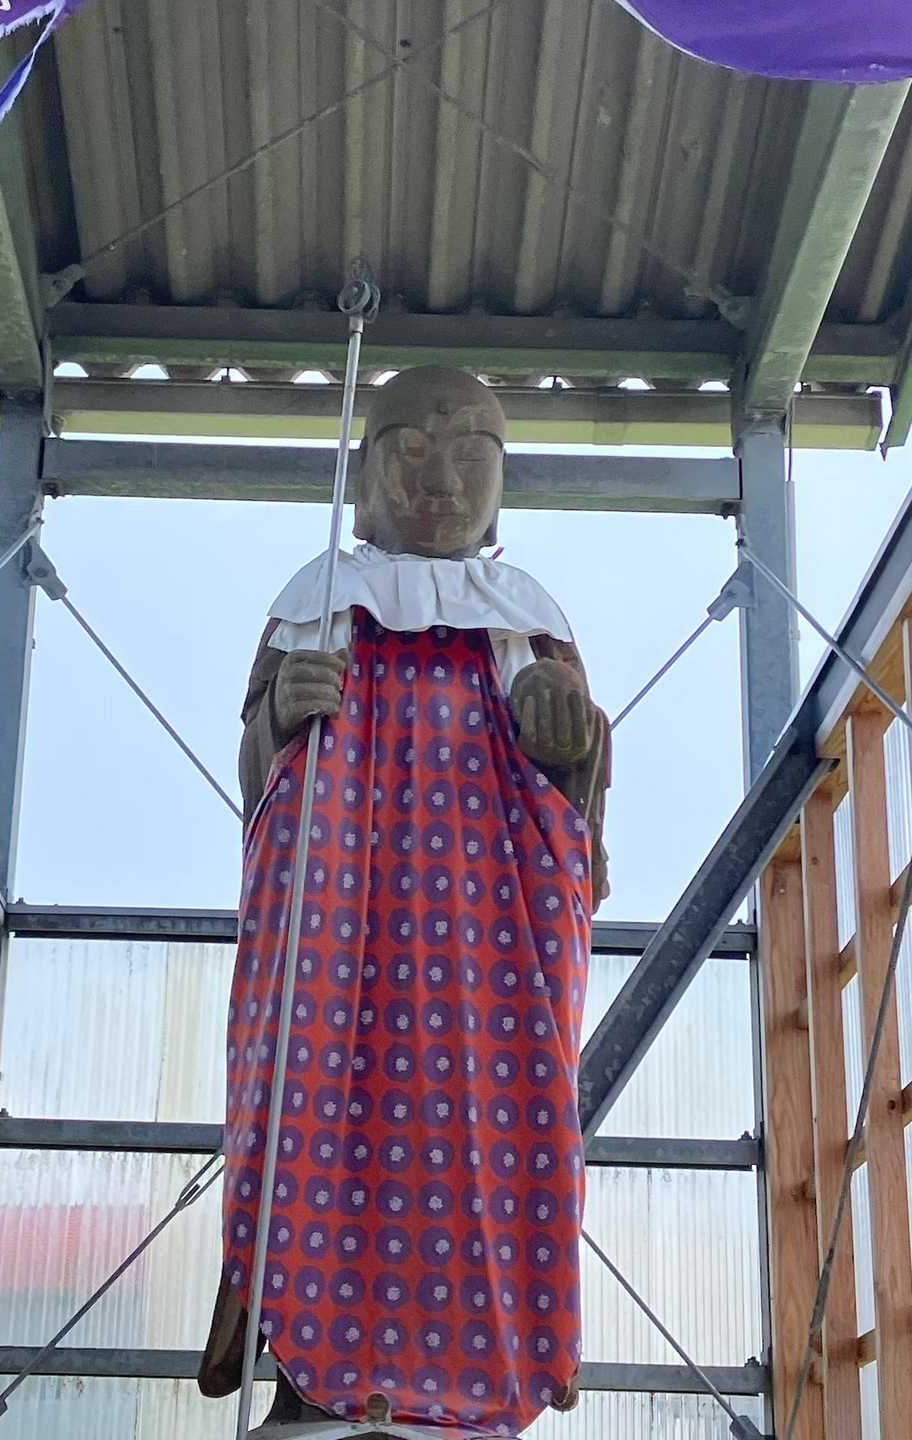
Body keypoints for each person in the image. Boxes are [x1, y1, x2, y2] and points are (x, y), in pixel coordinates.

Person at [200, 367, 610, 1435]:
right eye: (413, 454)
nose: (442, 484)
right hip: (338, 921)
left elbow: (578, 803)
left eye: (472, 457)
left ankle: (476, 1375)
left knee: (497, 1125)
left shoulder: (525, 622)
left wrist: (565, 738)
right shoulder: (317, 603)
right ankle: (309, 1371)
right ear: (364, 475)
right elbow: (256, 782)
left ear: (504, 485)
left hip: (484, 938)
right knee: (309, 1109)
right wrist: (281, 717)